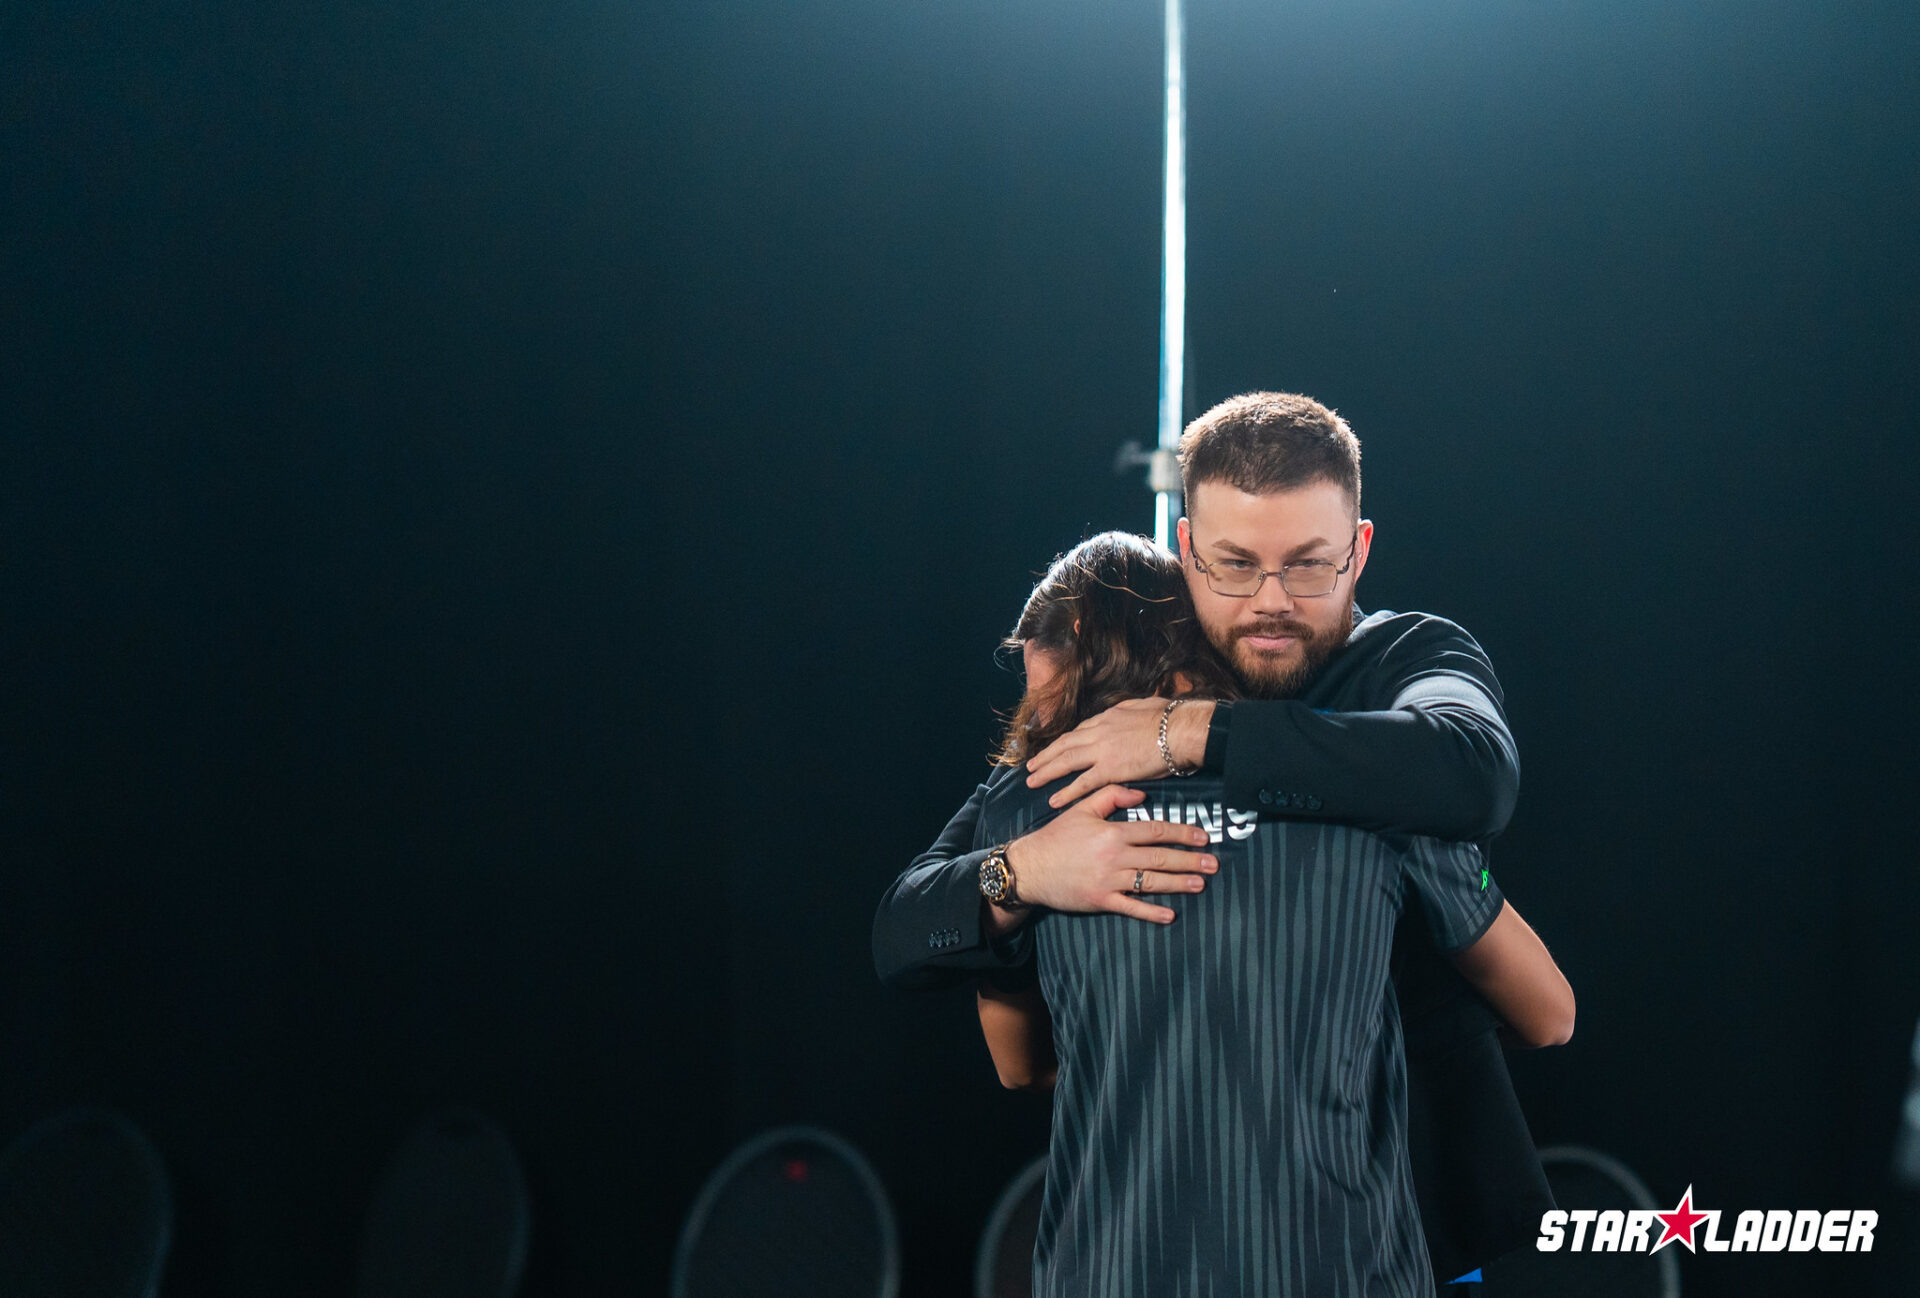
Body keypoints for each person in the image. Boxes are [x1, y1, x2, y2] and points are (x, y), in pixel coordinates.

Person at [873, 392, 1558, 1284]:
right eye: (1236, 565)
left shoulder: (1403, 662)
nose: (1271, 602)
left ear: (1358, 552)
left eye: (1309, 566)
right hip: (1171, 1226)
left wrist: (1190, 733)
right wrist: (1026, 868)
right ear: (1186, 551)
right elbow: (908, 926)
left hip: (1406, 1205)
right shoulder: (1100, 737)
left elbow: (1475, 774)